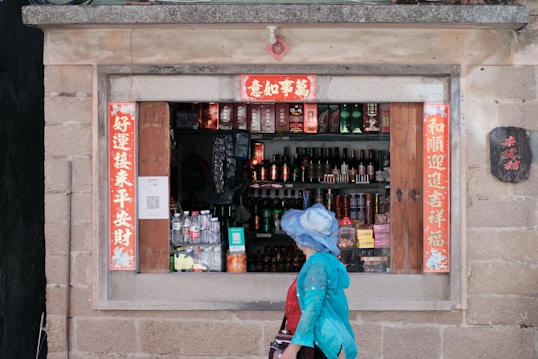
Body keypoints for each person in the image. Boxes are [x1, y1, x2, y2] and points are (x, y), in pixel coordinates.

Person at [279, 204, 358, 359]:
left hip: (315, 342)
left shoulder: (316, 266)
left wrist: (293, 348)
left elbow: (312, 308)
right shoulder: (325, 261)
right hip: (320, 340)